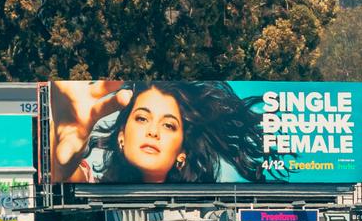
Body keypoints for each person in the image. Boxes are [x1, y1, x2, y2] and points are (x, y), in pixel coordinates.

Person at [49, 79, 267, 184]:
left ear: (182, 151)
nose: (153, 131)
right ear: (121, 136)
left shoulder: (201, 211)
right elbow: (62, 173)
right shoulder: (91, 185)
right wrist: (61, 146)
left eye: (168, 125)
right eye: (142, 118)